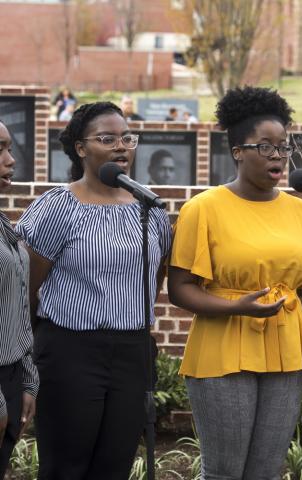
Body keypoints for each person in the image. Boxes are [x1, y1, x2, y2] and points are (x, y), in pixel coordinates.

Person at [168, 86, 302, 479]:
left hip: (284, 347)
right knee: (225, 471)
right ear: (238, 151)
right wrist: (237, 307)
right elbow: (179, 289)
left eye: (283, 146)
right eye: (265, 146)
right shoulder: (203, 208)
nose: (278, 155)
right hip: (223, 347)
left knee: (266, 470)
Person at [16, 102, 172, 479]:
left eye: (127, 138)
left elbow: (154, 280)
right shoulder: (59, 207)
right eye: (107, 139)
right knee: (66, 467)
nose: (121, 146)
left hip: (132, 354)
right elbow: (25, 288)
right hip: (70, 351)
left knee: (114, 466)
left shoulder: (151, 209)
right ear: (81, 148)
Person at [0, 121, 38, 479]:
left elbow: (17, 306)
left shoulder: (5, 225)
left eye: (9, 149)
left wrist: (27, 380)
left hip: (9, 378)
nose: (10, 161)